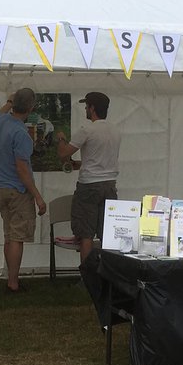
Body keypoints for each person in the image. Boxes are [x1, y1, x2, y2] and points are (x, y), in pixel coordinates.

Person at [0, 88, 47, 293]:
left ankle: (10, 279)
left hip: (0, 187)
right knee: (17, 237)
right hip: (17, 190)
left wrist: (9, 99)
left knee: (9, 235)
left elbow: (1, 110)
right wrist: (38, 197)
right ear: (31, 108)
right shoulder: (21, 133)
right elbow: (23, 170)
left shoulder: (0, 121)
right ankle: (13, 283)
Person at [56, 91, 121, 263]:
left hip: (89, 187)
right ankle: (106, 272)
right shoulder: (115, 130)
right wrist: (79, 164)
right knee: (106, 234)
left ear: (92, 108)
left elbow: (63, 154)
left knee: (85, 234)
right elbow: (99, 160)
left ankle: (87, 277)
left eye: (86, 106)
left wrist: (61, 139)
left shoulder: (87, 129)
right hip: (109, 186)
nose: (85, 109)